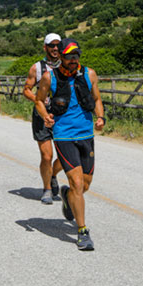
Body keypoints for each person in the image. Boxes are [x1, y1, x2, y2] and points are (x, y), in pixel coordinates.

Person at [33, 38, 105, 251]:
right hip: (63, 135)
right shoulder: (50, 77)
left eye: (76, 56)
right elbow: (39, 100)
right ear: (61, 57)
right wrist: (45, 116)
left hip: (86, 134)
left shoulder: (89, 74)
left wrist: (100, 117)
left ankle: (67, 196)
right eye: (69, 56)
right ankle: (82, 232)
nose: (73, 60)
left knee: (85, 184)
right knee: (77, 183)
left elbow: (97, 98)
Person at [22, 33, 65, 205]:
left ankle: (53, 174)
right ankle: (47, 189)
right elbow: (26, 89)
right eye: (51, 45)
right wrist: (38, 99)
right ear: (45, 47)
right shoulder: (37, 68)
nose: (55, 48)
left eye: (57, 45)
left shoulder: (67, 64)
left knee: (65, 155)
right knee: (47, 156)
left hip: (63, 114)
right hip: (42, 114)